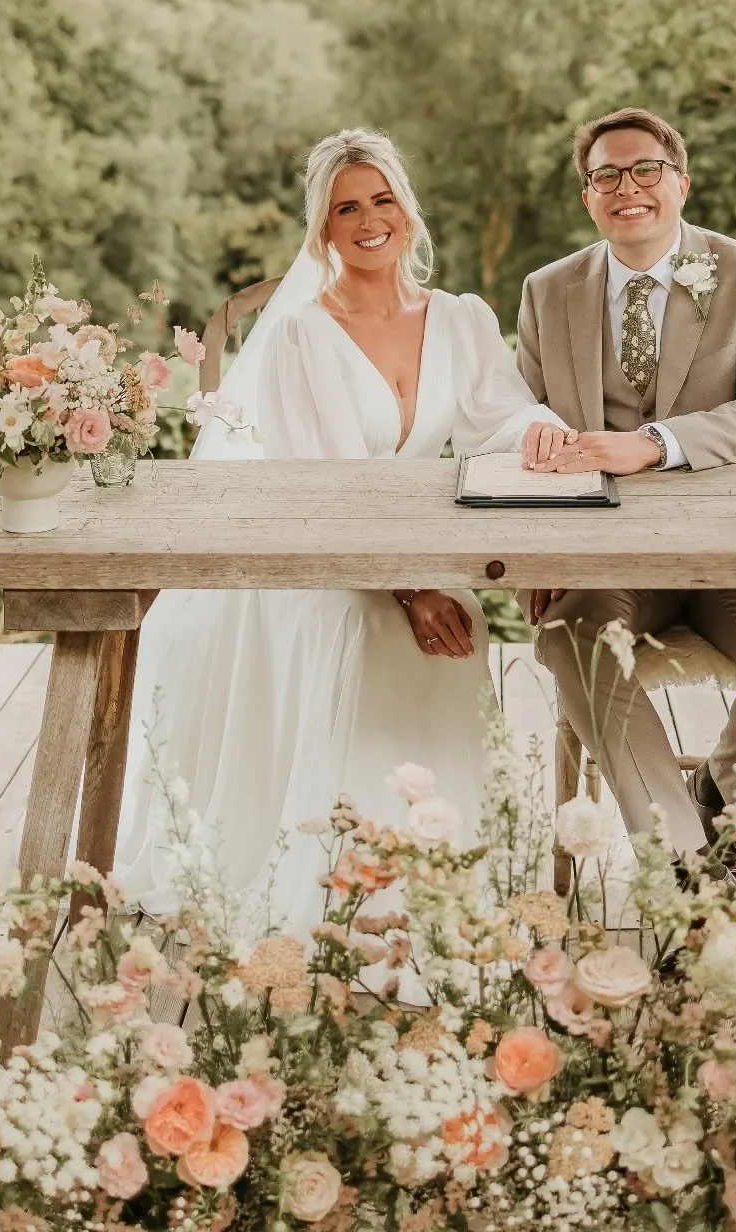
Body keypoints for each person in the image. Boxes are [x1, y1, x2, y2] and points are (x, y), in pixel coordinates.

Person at [115, 128, 564, 931]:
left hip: (415, 548)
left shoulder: (461, 318)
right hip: (323, 555)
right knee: (368, 624)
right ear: (323, 228)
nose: (368, 220)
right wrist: (409, 590)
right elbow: (320, 489)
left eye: (382, 200)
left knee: (460, 615)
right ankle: (346, 881)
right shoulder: (303, 333)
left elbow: (500, 417)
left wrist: (545, 434)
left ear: (407, 213)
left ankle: (437, 871)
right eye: (345, 208)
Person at [515, 106, 736, 858]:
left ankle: (715, 799)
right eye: (606, 175)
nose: (627, 187)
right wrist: (537, 551)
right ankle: (683, 860)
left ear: (681, 184)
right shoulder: (546, 290)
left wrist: (653, 444)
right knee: (571, 641)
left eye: (646, 169)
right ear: (588, 196)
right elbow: (522, 421)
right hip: (602, 561)